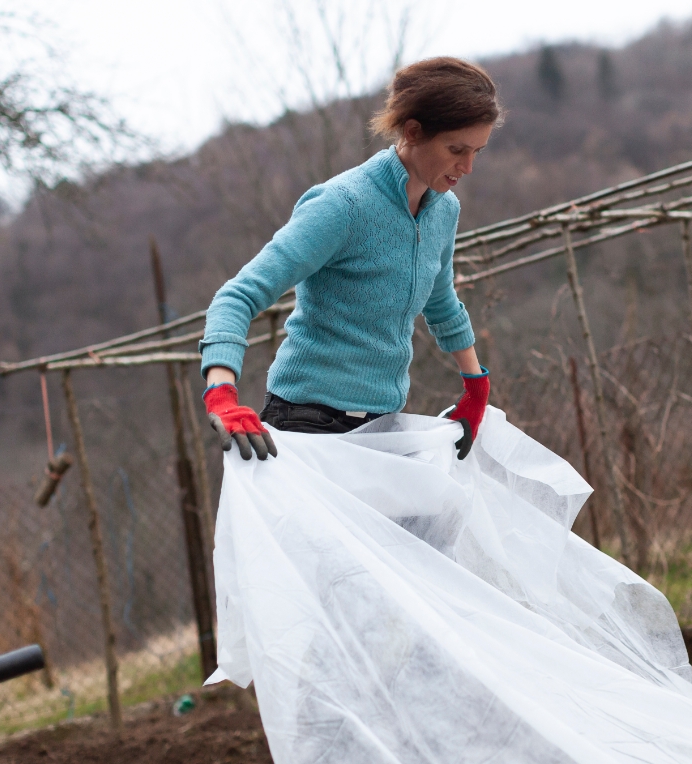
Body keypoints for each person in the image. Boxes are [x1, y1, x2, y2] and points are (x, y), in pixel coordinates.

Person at [199, 57, 501, 461]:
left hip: (382, 424)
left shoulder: (443, 210)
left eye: (477, 151)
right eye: (456, 149)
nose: (467, 166)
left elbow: (441, 299)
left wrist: (475, 387)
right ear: (413, 132)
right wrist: (221, 394)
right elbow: (237, 297)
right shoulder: (343, 206)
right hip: (307, 422)